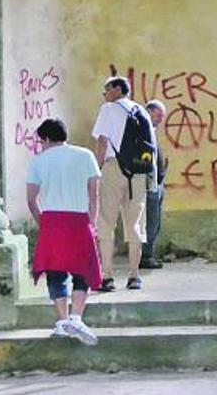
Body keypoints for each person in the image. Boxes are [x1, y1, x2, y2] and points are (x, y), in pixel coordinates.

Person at [26, 118, 101, 346]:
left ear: (47, 138)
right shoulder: (86, 155)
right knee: (82, 269)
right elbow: (94, 193)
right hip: (79, 218)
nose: (41, 145)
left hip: (52, 220)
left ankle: (62, 320)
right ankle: (76, 318)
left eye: (42, 141)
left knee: (55, 270)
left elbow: (31, 199)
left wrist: (43, 222)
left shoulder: (38, 161)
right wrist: (92, 221)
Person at [92, 76, 154, 291]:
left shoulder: (108, 109)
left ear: (118, 89)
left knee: (106, 222)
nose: (105, 94)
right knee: (135, 223)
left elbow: (102, 141)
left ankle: (107, 276)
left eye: (107, 90)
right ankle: (134, 276)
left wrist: (97, 169)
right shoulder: (141, 110)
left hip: (113, 167)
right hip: (138, 172)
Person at [141, 100, 168, 270]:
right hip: (150, 184)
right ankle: (145, 256)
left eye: (162, 116)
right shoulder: (143, 131)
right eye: (158, 115)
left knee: (154, 221)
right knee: (150, 221)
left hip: (156, 183)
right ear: (149, 112)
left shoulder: (150, 131)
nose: (160, 119)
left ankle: (148, 254)